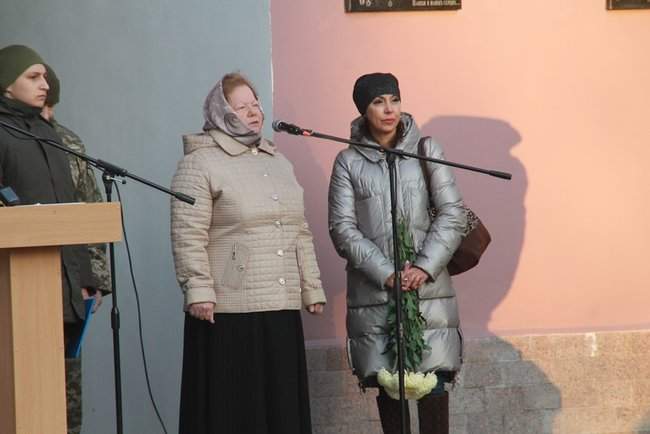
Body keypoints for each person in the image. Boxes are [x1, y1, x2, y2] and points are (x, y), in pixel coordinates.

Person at [170, 72, 326, 434]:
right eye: (242, 106)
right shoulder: (200, 163)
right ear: (221, 112)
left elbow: (299, 229)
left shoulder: (277, 161)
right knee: (237, 408)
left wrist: (311, 287)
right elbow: (187, 232)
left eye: (255, 103)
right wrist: (198, 290)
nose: (254, 112)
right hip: (228, 309)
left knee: (281, 406)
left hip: (280, 304)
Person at [327, 72, 467, 434]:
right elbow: (342, 228)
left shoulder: (426, 149)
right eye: (377, 102)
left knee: (433, 383)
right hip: (377, 292)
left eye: (393, 99)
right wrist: (386, 272)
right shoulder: (348, 162)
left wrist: (424, 267)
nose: (389, 109)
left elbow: (452, 213)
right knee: (391, 386)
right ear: (363, 109)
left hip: (428, 290)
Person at [0, 45, 100, 434]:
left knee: (62, 402)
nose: (45, 84)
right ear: (7, 84)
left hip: (65, 292)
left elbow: (69, 213)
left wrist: (87, 279)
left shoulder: (49, 133)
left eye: (43, 77)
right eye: (33, 77)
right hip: (15, 294)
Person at [41, 63, 111, 434]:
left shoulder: (67, 142)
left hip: (70, 283)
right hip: (23, 282)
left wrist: (94, 277)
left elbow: (91, 210)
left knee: (68, 381)